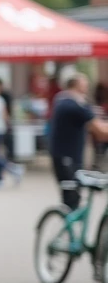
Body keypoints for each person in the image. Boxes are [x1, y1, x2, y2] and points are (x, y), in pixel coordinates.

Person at [48, 72, 108, 210]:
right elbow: (100, 132)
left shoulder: (63, 100)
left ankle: (69, 218)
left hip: (65, 155)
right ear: (77, 85)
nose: (88, 86)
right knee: (72, 197)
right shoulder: (74, 105)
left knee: (72, 196)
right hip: (67, 158)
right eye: (85, 83)